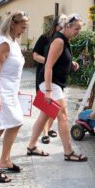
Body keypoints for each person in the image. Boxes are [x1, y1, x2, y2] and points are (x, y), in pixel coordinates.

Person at [27, 13, 88, 162]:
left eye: (79, 29)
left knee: (45, 115)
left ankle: (31, 146)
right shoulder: (59, 41)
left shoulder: (64, 40)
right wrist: (48, 90)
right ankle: (68, 152)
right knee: (63, 116)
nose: (78, 32)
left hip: (54, 83)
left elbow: (58, 60)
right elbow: (48, 65)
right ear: (67, 26)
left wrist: (70, 63)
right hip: (51, 83)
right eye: (76, 29)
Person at [0, 11, 28, 183]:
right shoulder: (4, 43)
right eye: (22, 27)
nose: (24, 30)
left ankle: (4, 160)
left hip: (10, 91)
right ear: (13, 24)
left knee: (16, 121)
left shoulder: (13, 41)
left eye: (25, 27)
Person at [33, 14, 67, 144]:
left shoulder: (63, 40)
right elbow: (35, 55)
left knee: (56, 105)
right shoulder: (45, 38)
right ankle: (45, 133)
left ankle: (49, 128)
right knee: (47, 105)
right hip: (45, 74)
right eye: (61, 26)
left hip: (58, 77)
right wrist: (48, 61)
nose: (63, 29)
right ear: (56, 25)